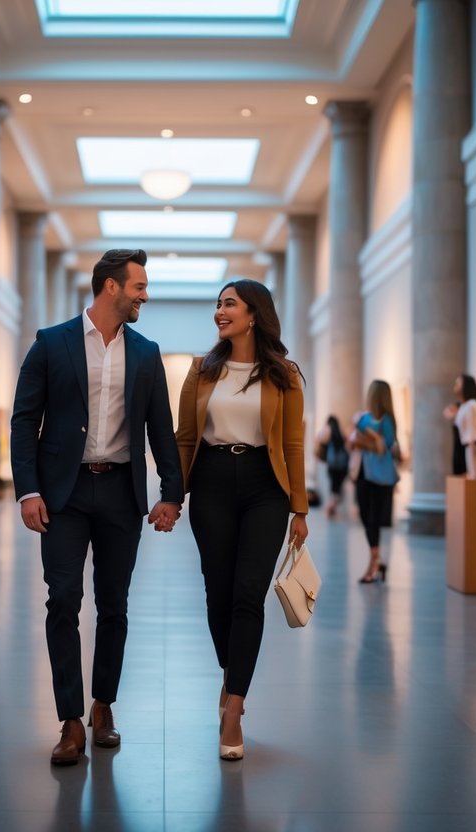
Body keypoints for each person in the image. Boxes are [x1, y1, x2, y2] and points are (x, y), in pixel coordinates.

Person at [10, 248, 183, 766]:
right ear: (111, 286)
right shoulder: (51, 343)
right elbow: (24, 421)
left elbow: (160, 428)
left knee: (114, 605)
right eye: (139, 287)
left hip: (120, 494)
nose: (144, 296)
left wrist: (171, 493)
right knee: (62, 600)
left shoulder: (147, 353)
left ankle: (102, 705)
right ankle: (70, 721)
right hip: (62, 495)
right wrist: (28, 489)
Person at [175, 278, 309, 761]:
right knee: (220, 592)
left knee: (250, 593)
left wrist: (300, 507)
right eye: (217, 303)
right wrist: (173, 494)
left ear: (254, 314)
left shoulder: (284, 375)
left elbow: (292, 443)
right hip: (211, 479)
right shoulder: (202, 370)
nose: (219, 311)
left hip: (265, 487)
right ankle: (231, 680)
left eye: (229, 303)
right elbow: (185, 438)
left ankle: (234, 707)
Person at [351, 380, 399, 584]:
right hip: (363, 473)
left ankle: (374, 562)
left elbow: (384, 447)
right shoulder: (364, 418)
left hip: (380, 476)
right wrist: (372, 440)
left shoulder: (387, 421)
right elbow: (353, 440)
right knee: (365, 516)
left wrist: (367, 441)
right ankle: (377, 559)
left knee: (374, 520)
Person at [442, 374, 476, 478]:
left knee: (472, 479)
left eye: (458, 383)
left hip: (471, 447)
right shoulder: (464, 406)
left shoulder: (471, 405)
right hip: (465, 447)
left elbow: (471, 431)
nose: (455, 385)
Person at [314, 415, 350, 518]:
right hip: (343, 464)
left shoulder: (328, 430)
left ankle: (329, 508)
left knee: (333, 487)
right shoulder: (341, 431)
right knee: (337, 488)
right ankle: (332, 508)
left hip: (333, 463)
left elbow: (320, 439)